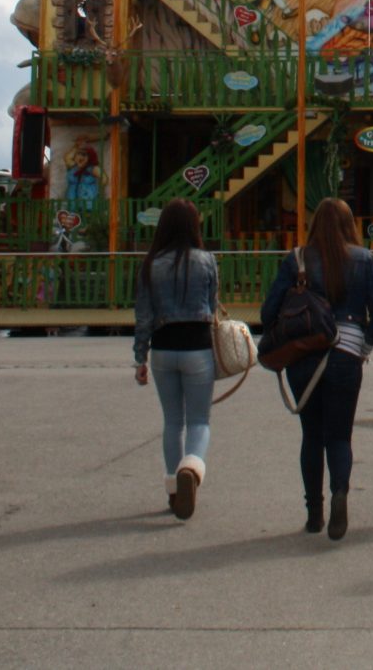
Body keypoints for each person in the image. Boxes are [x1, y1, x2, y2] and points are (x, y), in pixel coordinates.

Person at [262, 198, 373, 539]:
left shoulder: (297, 259)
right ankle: (340, 492)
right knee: (340, 435)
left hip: (304, 352)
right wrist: (365, 345)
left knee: (311, 435)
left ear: (315, 223)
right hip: (347, 351)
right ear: (350, 225)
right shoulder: (364, 259)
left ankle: (314, 513)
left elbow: (268, 311)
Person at [132, 198, 220, 520]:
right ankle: (190, 470)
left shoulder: (151, 263)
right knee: (199, 421)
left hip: (163, 348)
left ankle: (173, 491)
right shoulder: (206, 260)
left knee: (172, 422)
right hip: (198, 347)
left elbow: (143, 315)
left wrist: (140, 358)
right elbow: (212, 305)